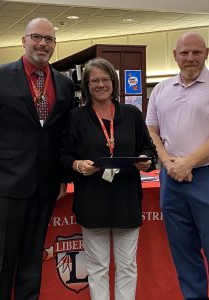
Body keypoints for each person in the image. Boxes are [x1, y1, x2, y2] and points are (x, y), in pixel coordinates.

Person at [0, 18, 76, 300]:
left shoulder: (63, 84)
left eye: (49, 39)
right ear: (23, 40)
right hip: (3, 186)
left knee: (31, 262)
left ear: (54, 45)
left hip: (44, 187)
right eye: (37, 37)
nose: (43, 43)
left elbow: (63, 136)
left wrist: (63, 177)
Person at [146, 32, 209, 300]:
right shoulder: (161, 90)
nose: (190, 58)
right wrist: (167, 163)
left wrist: (188, 162)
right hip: (172, 179)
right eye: (185, 53)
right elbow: (151, 131)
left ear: (207, 53)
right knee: (183, 251)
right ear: (175, 55)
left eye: (196, 52)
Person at [60, 57, 157, 300]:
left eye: (105, 79)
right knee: (97, 268)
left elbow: (150, 149)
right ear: (86, 85)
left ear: (113, 83)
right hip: (92, 201)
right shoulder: (76, 117)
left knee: (127, 267)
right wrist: (78, 164)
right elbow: (62, 155)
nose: (100, 84)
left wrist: (146, 160)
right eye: (94, 80)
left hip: (126, 200)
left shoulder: (132, 114)